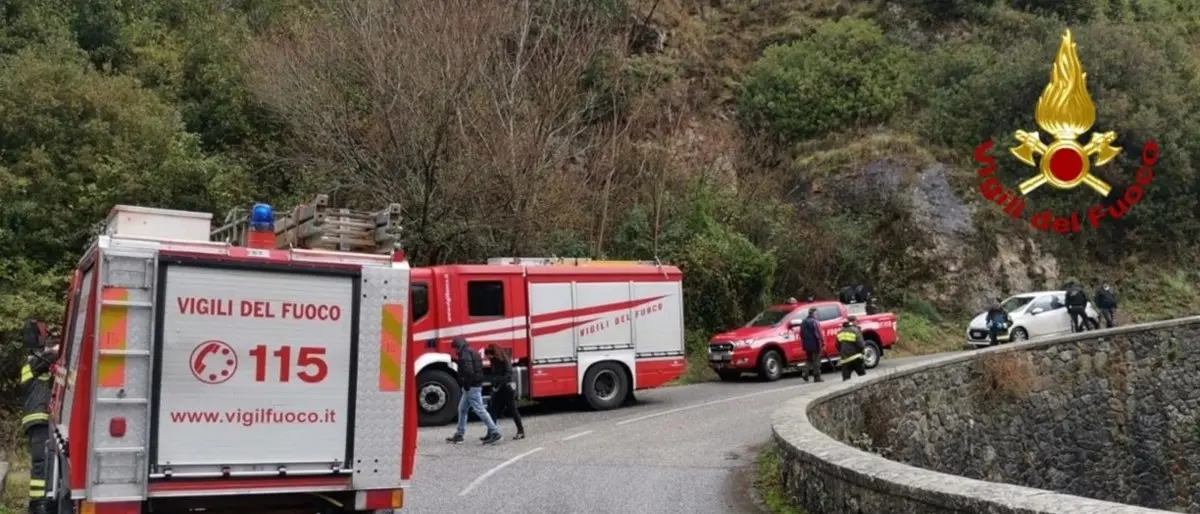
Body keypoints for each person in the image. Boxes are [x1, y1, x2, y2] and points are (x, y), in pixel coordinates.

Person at [20, 319, 59, 514]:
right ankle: (38, 505)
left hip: (40, 419)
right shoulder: (33, 361)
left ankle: (40, 502)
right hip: (37, 419)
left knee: (45, 461)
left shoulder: (35, 360)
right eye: (45, 333)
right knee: (41, 462)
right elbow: (53, 355)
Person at [445, 337, 501, 445]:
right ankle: (460, 434)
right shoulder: (473, 351)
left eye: (455, 348)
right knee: (462, 409)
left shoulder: (464, 355)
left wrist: (465, 384)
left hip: (471, 387)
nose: (455, 351)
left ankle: (494, 432)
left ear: (459, 346)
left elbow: (468, 371)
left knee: (479, 409)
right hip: (474, 385)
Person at [484, 344, 525, 440]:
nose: (488, 358)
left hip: (506, 388)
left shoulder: (505, 360)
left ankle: (520, 430)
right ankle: (491, 432)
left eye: (488, 355)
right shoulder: (493, 361)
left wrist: (496, 382)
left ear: (494, 354)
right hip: (498, 388)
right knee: (492, 410)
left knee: (512, 409)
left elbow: (508, 375)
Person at [835, 316, 867, 381]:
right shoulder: (855, 330)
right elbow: (861, 345)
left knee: (846, 381)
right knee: (863, 378)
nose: (857, 323)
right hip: (856, 358)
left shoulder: (840, 331)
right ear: (853, 322)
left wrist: (843, 352)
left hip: (845, 360)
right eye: (856, 321)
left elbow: (837, 345)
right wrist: (862, 353)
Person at [798, 308, 823, 383]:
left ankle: (805, 373)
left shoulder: (804, 321)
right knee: (816, 360)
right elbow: (819, 333)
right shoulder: (815, 322)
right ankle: (817, 377)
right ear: (813, 314)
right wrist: (822, 341)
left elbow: (801, 333)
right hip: (815, 344)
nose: (817, 315)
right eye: (816, 314)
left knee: (809, 359)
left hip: (806, 344)